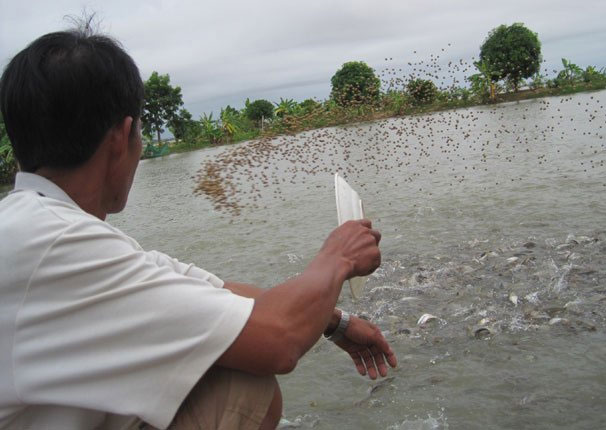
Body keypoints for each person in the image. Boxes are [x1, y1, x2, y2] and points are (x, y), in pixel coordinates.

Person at [0, 25, 397, 430]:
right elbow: (279, 342)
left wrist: (335, 322)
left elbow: (216, 293)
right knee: (242, 385)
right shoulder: (58, 244)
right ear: (122, 137)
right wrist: (337, 258)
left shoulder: (41, 230)